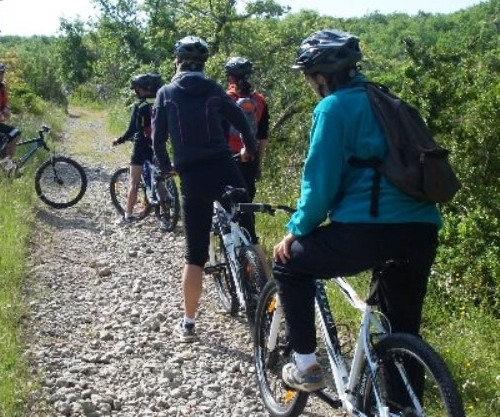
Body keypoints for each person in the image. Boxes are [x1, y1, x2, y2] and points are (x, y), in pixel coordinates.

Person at [272, 30, 441, 392]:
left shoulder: (332, 107)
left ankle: (305, 367)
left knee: (288, 264)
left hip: (368, 231)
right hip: (422, 230)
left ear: (320, 77)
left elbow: (319, 183)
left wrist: (297, 229)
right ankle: (403, 408)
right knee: (401, 332)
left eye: (308, 77)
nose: (309, 84)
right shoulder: (387, 99)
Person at [152, 36, 258, 342]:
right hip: (227, 169)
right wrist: (250, 150)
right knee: (249, 233)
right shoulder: (214, 89)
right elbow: (241, 119)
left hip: (193, 177)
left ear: (177, 62)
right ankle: (265, 298)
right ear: (203, 65)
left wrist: (166, 167)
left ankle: (188, 324)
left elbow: (159, 140)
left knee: (195, 254)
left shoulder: (166, 93)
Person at [224, 56, 270, 269]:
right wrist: (258, 164)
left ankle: (236, 263)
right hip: (250, 162)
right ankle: (252, 258)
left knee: (227, 213)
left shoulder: (225, 99)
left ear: (230, 77)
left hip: (228, 162)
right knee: (246, 211)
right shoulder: (260, 101)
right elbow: (262, 137)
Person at [113, 73, 164, 225]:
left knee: (134, 182)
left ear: (143, 89)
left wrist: (119, 140)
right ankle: (167, 211)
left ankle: (127, 215)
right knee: (158, 178)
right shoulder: (162, 102)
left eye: (137, 88)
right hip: (158, 144)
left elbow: (132, 130)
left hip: (141, 144)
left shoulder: (140, 105)